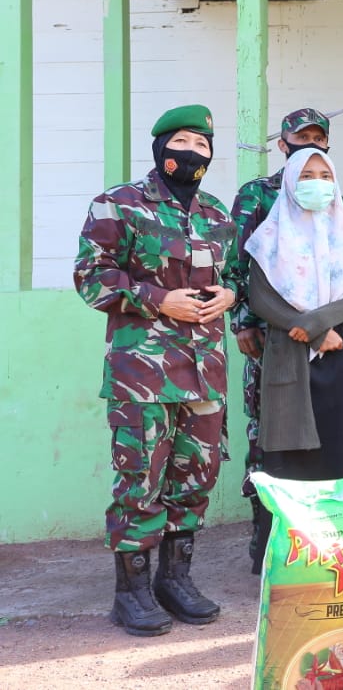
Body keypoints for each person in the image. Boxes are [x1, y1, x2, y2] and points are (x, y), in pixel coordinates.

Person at [74, 104, 236, 636]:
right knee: (139, 481)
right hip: (143, 374)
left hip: (205, 371)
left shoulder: (217, 214)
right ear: (161, 147)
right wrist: (160, 299)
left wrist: (231, 295)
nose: (193, 152)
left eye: (203, 145)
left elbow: (237, 274)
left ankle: (175, 581)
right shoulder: (119, 203)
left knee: (195, 479)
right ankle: (132, 592)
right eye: (183, 142)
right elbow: (91, 276)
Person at [226, 107, 343, 573]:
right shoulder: (257, 194)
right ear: (282, 143)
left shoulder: (337, 197)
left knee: (326, 434)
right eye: (301, 137)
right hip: (272, 335)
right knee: (269, 434)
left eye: (318, 138)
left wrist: (327, 325)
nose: (310, 144)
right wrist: (243, 321)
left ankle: (327, 539)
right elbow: (238, 263)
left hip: (332, 338)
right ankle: (266, 537)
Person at [247, 150, 343, 484]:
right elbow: (261, 297)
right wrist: (313, 332)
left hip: (339, 351)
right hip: (291, 348)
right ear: (290, 181)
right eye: (306, 176)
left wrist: (315, 325)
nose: (317, 183)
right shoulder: (270, 236)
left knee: (341, 449)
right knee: (293, 457)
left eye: (325, 176)